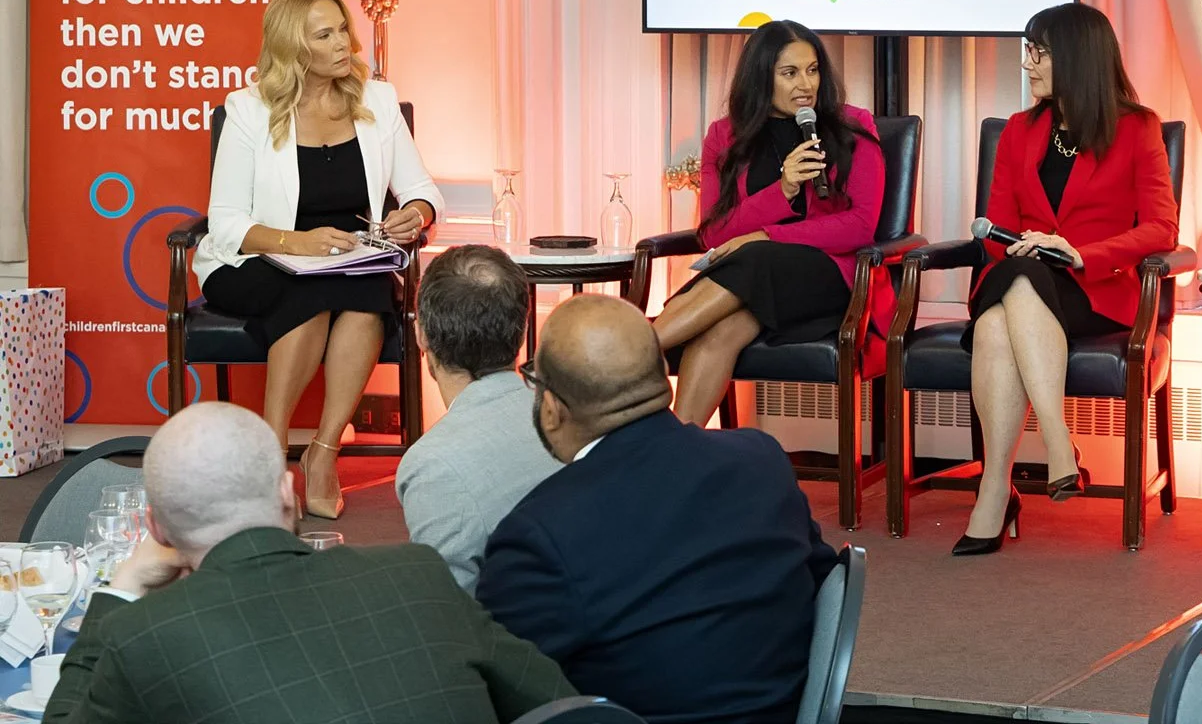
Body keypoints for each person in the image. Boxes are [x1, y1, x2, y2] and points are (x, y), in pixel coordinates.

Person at [43, 402, 575, 724]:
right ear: (289, 493)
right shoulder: (419, 575)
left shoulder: (143, 636)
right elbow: (562, 702)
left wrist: (123, 586)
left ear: (156, 529)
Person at [478, 295, 838, 724]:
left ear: (552, 408)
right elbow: (823, 584)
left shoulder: (538, 535)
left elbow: (488, 688)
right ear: (662, 380)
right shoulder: (760, 459)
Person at [195, 0, 444, 519]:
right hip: (257, 259)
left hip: (351, 260)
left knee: (363, 291)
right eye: (325, 35)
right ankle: (269, 456)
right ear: (293, 48)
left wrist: (414, 214)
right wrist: (298, 243)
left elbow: (424, 189)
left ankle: (321, 452)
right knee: (310, 288)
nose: (344, 44)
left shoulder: (376, 99)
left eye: (342, 30)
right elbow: (227, 224)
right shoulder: (248, 109)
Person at [956, 3, 1179, 555]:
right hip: (1019, 275)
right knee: (1017, 279)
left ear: (1077, 58)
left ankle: (998, 489)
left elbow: (1161, 228)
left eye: (1041, 52)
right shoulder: (1018, 130)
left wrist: (1080, 253)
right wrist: (1017, 242)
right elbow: (994, 229)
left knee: (996, 323)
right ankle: (1055, 448)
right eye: (1027, 51)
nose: (1028, 64)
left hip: (1096, 289)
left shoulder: (1137, 127)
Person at [650, 18, 885, 425]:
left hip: (831, 281)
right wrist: (784, 189)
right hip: (753, 287)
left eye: (812, 71)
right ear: (761, 77)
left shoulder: (852, 126)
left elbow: (861, 225)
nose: (806, 84)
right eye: (790, 73)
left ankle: (618, 356)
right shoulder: (724, 136)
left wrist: (764, 234)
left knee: (758, 255)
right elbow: (714, 233)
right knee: (718, 332)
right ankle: (675, 455)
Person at [396, 244, 560, 592]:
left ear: (421, 333)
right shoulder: (572, 418)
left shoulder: (433, 465)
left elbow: (446, 613)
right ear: (522, 329)